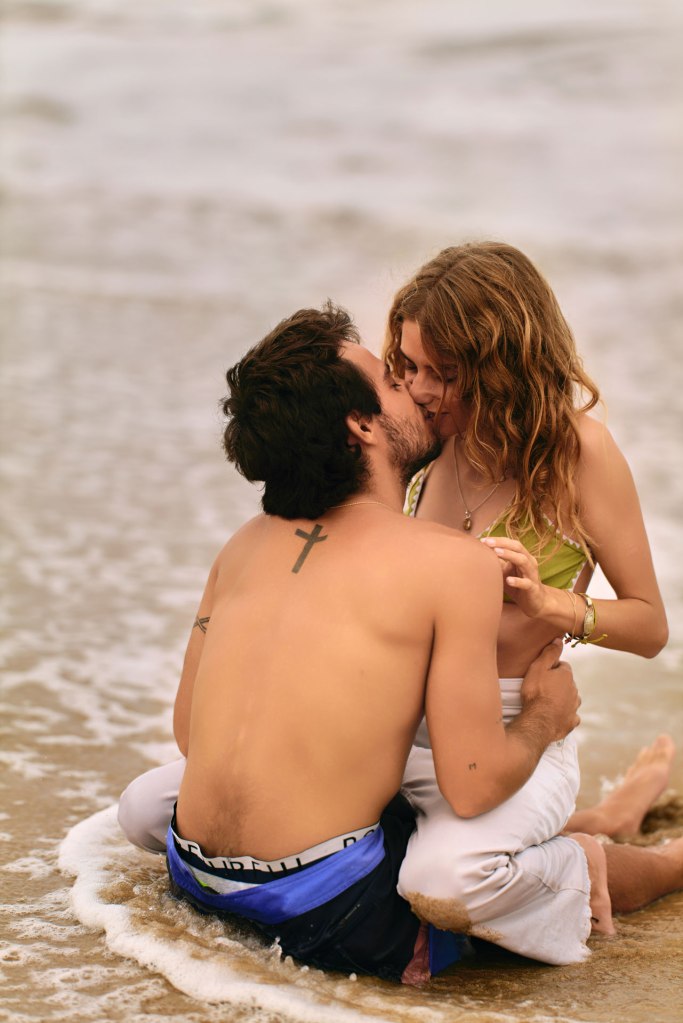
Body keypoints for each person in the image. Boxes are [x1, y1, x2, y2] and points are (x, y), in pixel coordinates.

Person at [118, 301, 683, 981]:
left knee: (141, 806)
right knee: (450, 877)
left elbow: (189, 733)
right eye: (392, 379)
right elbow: (471, 789)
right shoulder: (452, 561)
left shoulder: (241, 546)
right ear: (361, 424)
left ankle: (604, 827)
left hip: (199, 876)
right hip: (336, 915)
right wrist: (543, 717)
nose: (413, 388)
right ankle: (610, 854)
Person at [382, 241, 674, 934]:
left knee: (442, 880)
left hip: (517, 729)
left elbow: (648, 624)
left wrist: (552, 604)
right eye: (411, 366)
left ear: (501, 366)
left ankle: (650, 860)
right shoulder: (425, 438)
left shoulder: (581, 456)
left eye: (443, 373)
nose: (419, 390)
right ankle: (604, 818)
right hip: (395, 725)